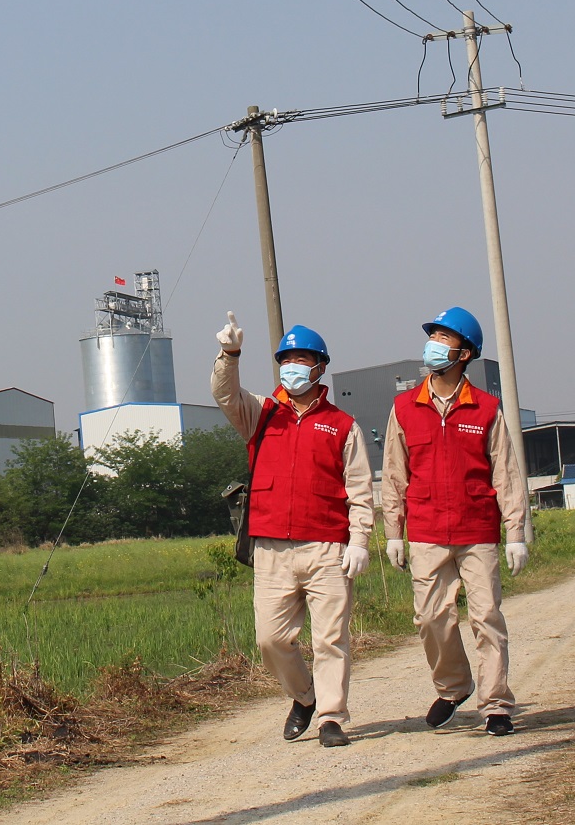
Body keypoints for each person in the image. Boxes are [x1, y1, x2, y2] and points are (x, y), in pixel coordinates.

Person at [212, 311, 374, 748]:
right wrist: (230, 355)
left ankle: (332, 718)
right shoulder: (262, 414)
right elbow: (224, 394)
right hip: (272, 551)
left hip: (327, 549)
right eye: (287, 359)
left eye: (303, 359)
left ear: (320, 367)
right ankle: (305, 696)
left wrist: (359, 540)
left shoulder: (343, 426)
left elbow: (360, 490)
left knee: (330, 639)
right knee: (270, 640)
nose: (293, 366)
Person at [382, 305, 532, 738]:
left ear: (465, 354)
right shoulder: (405, 407)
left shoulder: (485, 408)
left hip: (477, 530)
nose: (434, 345)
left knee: (486, 617)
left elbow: (506, 472)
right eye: (434, 337)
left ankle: (497, 704)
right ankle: (454, 687)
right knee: (431, 619)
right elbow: (394, 472)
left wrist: (516, 532)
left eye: (445, 339)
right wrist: (394, 531)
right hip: (427, 530)